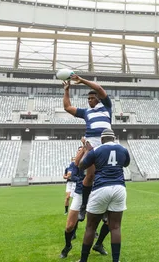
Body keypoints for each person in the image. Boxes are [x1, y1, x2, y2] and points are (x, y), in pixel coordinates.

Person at [63, 74, 112, 221]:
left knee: (103, 177)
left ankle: (103, 209)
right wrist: (66, 90)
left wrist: (82, 80)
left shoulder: (107, 107)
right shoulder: (86, 112)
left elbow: (99, 88)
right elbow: (67, 107)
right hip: (91, 144)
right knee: (90, 176)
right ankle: (84, 206)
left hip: (105, 143)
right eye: (88, 99)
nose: (89, 100)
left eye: (92, 98)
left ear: (98, 98)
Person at [77, 128, 130, 262]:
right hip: (119, 187)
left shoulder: (97, 150)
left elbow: (81, 166)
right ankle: (116, 260)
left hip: (101, 187)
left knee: (90, 227)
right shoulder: (123, 149)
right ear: (114, 138)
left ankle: (83, 260)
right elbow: (126, 163)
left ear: (102, 139)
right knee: (116, 227)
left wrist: (88, 151)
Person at [60, 144, 110, 259]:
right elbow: (75, 167)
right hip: (80, 193)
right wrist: (83, 149)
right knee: (69, 226)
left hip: (97, 192)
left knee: (109, 221)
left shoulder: (97, 157)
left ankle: (98, 244)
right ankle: (68, 246)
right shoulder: (77, 162)